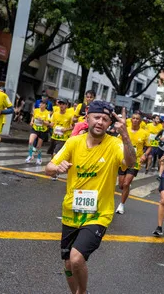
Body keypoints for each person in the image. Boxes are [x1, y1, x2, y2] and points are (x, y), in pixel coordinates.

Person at [45, 101, 136, 294]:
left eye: (105, 119)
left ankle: (83, 292)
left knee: (77, 258)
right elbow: (48, 168)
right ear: (87, 118)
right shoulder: (73, 142)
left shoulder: (115, 144)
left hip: (99, 214)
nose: (100, 122)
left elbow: (130, 162)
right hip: (71, 210)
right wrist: (57, 168)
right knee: (68, 264)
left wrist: (125, 135)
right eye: (97, 117)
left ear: (110, 123)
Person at [115, 112, 149, 214]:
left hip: (136, 161)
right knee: (121, 185)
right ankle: (126, 187)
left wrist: (145, 155)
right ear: (131, 120)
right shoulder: (125, 130)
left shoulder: (145, 133)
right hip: (123, 159)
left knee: (126, 184)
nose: (135, 120)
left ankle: (121, 205)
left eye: (137, 119)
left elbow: (149, 147)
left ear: (140, 121)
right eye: (133, 118)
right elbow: (116, 142)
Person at [49, 98, 73, 177]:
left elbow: (73, 126)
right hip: (54, 137)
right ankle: (54, 170)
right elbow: (52, 123)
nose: (61, 106)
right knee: (52, 155)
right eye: (60, 104)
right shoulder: (55, 114)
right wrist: (49, 124)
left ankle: (55, 173)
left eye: (63, 104)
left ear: (66, 105)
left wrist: (65, 129)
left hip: (63, 139)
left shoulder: (70, 116)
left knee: (55, 154)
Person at [25, 100, 50, 165]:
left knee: (38, 146)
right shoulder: (36, 110)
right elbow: (33, 116)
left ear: (46, 105)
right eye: (40, 103)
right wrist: (31, 121)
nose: (41, 104)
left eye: (43, 103)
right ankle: (30, 155)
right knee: (30, 142)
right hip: (35, 128)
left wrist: (42, 121)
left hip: (43, 131)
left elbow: (48, 123)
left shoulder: (47, 113)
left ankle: (39, 158)